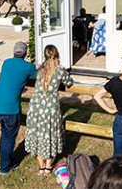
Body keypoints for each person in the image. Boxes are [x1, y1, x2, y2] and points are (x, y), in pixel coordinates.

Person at [25, 45, 73, 175]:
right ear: (56, 54)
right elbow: (69, 82)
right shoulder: (60, 70)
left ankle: (41, 166)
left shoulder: (40, 69)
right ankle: (48, 166)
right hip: (51, 107)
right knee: (51, 133)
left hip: (36, 106)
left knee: (37, 133)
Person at [0, 41, 37, 175]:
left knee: (4, 134)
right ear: (25, 53)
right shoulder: (28, 66)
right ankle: (4, 166)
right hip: (10, 109)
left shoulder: (6, 62)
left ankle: (5, 158)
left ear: (13, 52)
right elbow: (38, 76)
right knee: (8, 137)